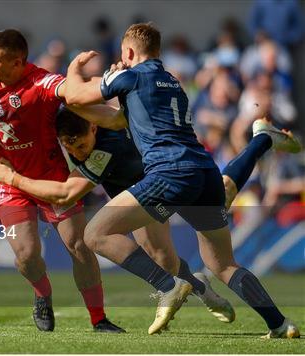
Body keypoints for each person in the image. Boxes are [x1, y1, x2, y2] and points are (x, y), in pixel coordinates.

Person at [62, 22, 301, 338]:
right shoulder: (172, 81)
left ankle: (168, 285)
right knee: (223, 264)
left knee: (95, 234)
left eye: (123, 55)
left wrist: (73, 68)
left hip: (170, 172)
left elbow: (75, 96)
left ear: (129, 52)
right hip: (203, 171)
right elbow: (118, 119)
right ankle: (280, 324)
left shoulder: (130, 75)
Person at [0, 106, 301, 333]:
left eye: (80, 143)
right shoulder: (90, 123)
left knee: (223, 197)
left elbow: (65, 194)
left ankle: (178, 287)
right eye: (68, 145)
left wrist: (12, 178)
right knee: (167, 255)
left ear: (94, 129)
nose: (76, 151)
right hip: (155, 185)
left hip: (159, 183)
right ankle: (199, 287)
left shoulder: (104, 146)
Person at [0, 29, 123, 333]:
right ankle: (42, 296)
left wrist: (110, 81)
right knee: (26, 254)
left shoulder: (42, 84)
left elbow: (73, 91)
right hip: (6, 179)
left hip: (50, 177)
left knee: (78, 245)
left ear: (18, 62)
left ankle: (98, 318)